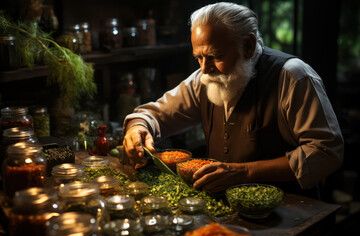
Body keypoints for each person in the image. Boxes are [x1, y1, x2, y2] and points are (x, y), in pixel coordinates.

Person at [122, 2, 344, 198]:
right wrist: (139, 127)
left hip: (289, 212)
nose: (204, 69)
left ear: (248, 46)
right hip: (226, 211)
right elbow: (154, 115)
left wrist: (245, 172)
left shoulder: (292, 76)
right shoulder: (205, 77)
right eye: (198, 57)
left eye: (215, 57)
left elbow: (326, 151)